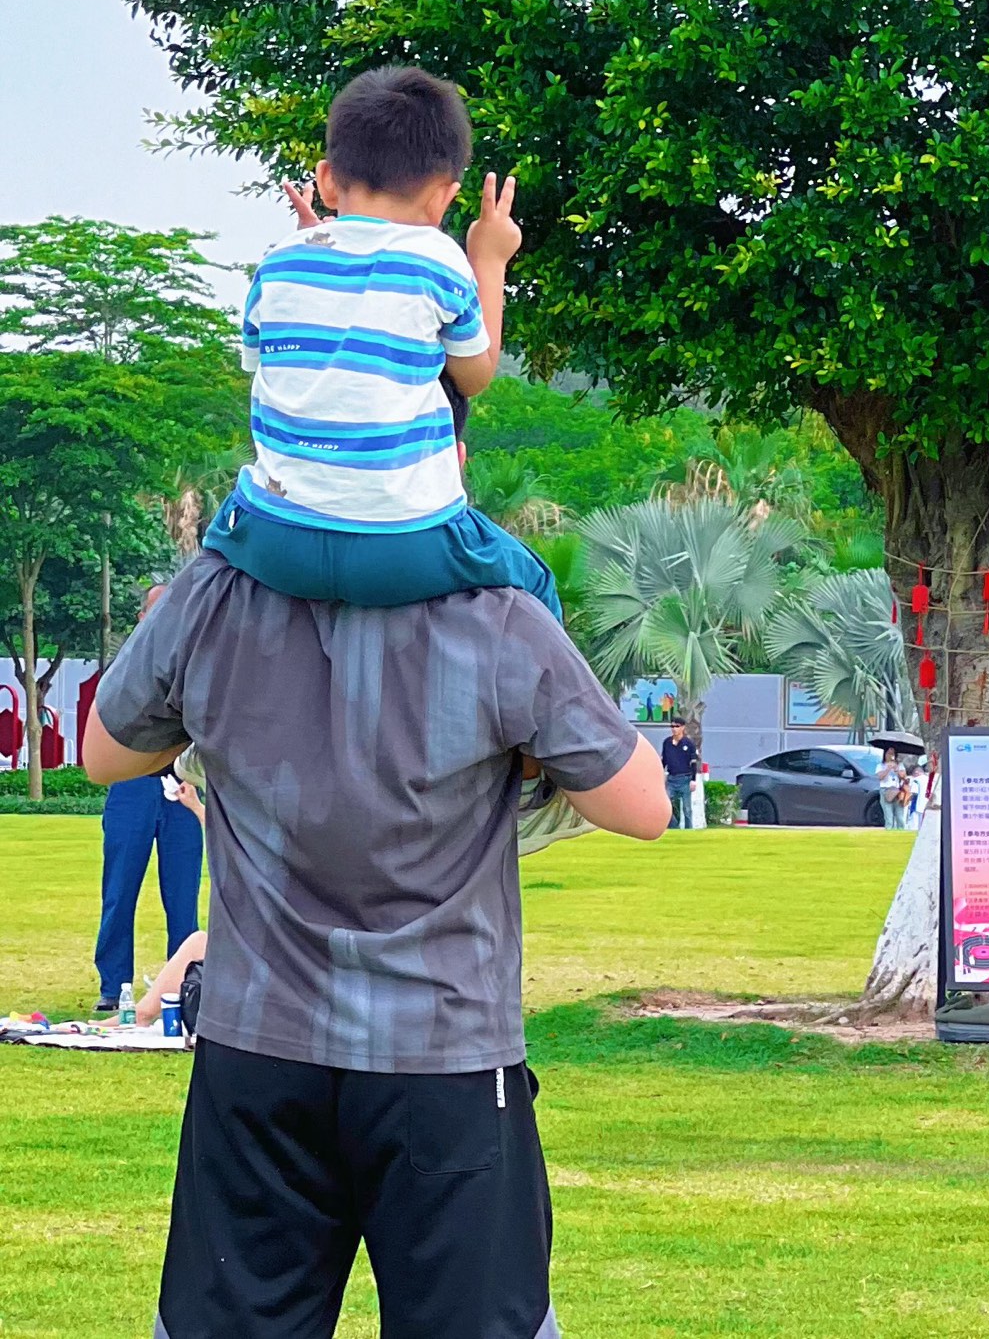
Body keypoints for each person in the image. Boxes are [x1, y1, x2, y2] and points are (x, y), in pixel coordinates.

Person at [86, 543, 669, 1335]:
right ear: (445, 454)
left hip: (261, 1050)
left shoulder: (214, 598)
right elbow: (643, 805)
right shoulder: (499, 617)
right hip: (444, 1055)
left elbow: (106, 750)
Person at [203, 64, 560, 613]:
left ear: (325, 179)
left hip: (274, 541)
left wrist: (316, 255)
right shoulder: (439, 258)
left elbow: (270, 365)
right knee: (534, 585)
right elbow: (476, 374)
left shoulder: (277, 263)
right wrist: (488, 257)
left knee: (201, 574)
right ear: (445, 197)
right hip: (403, 547)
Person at [94, 589, 204, 1012]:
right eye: (154, 611)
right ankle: (113, 983)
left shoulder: (197, 661)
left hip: (182, 787)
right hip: (132, 786)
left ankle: (185, 985)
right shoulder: (125, 670)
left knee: (183, 893)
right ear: (142, 617)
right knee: (120, 889)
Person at [660, 720, 702, 829]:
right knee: (665, 806)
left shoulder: (689, 744)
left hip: (685, 779)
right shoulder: (667, 743)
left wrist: (693, 780)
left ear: (682, 727)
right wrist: (661, 774)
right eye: (672, 726)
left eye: (677, 726)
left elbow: (693, 763)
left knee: (687, 809)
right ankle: (674, 826)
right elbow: (664, 760)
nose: (674, 729)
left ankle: (688, 830)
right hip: (671, 779)